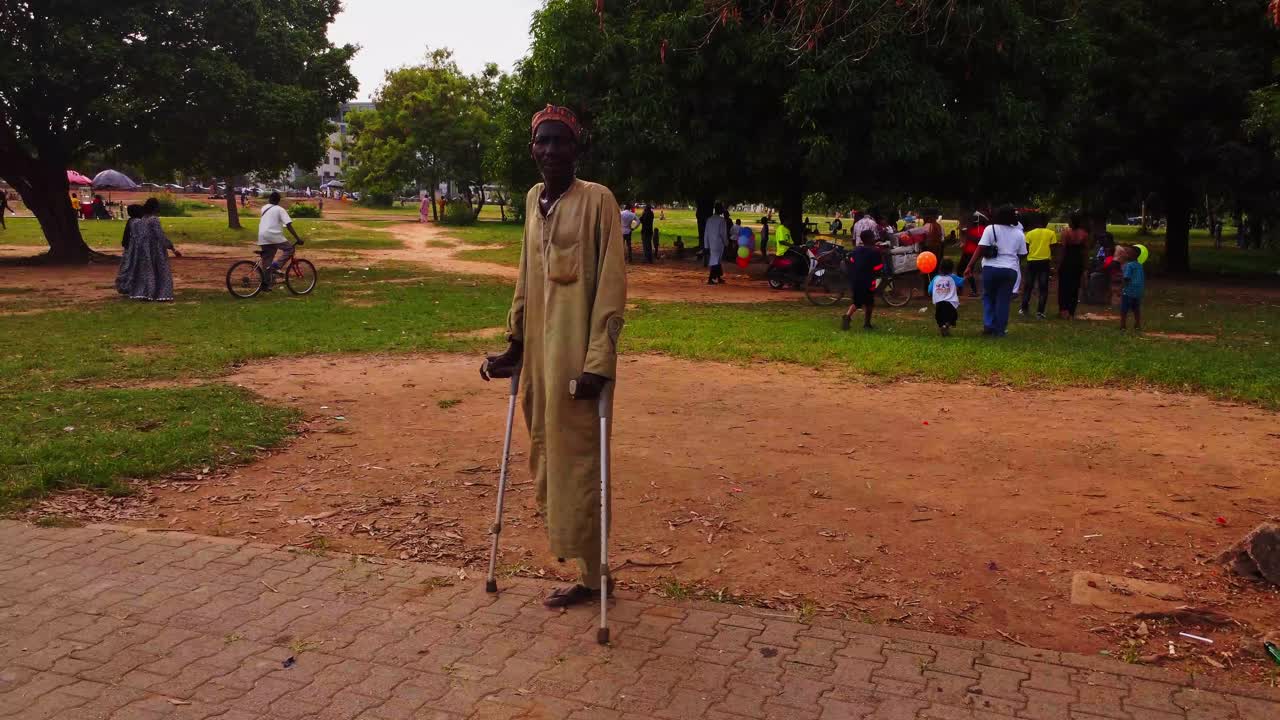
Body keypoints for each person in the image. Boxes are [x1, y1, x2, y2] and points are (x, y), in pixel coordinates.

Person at [479, 104, 627, 608]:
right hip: (539, 356)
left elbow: (611, 286)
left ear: (575, 148)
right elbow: (526, 273)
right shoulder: (531, 200)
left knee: (581, 460)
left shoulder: (598, 201)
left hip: (576, 359)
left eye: (560, 141)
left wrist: (598, 363)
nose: (550, 150)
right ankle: (584, 567)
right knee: (547, 453)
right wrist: (514, 344)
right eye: (542, 141)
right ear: (532, 149)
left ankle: (594, 575)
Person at [964, 204, 1026, 337]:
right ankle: (999, 330)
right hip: (1009, 270)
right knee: (1003, 300)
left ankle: (988, 324)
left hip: (990, 268)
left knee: (988, 297)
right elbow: (1022, 254)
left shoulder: (990, 229)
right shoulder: (1019, 233)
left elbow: (980, 248)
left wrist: (970, 265)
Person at [115, 198, 181, 301]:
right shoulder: (154, 220)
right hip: (155, 250)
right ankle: (161, 294)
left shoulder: (140, 220)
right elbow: (160, 236)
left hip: (143, 249)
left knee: (146, 271)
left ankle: (144, 292)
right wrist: (171, 247)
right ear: (155, 208)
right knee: (160, 271)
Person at [257, 191, 304, 291]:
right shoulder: (280, 209)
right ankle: (276, 267)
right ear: (279, 201)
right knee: (290, 249)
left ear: (269, 199)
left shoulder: (264, 208)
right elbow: (288, 224)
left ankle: (266, 284)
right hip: (273, 235)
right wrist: (297, 238)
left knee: (267, 260)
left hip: (262, 236)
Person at [842, 229, 883, 331]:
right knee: (869, 303)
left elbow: (852, 262)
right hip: (868, 280)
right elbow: (878, 267)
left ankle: (847, 316)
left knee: (856, 302)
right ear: (869, 239)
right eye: (873, 237)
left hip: (855, 280)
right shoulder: (875, 252)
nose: (874, 239)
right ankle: (867, 324)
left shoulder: (856, 250)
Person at [1020, 213, 1057, 319]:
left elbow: (1026, 249)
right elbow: (1053, 249)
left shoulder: (1030, 234)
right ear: (1046, 223)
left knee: (1028, 286)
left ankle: (1024, 308)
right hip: (1045, 262)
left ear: (1035, 223)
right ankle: (1040, 312)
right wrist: (1054, 264)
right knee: (1043, 288)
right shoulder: (1051, 233)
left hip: (1032, 262)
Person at [1058, 213, 1089, 319]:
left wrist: (1059, 263)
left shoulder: (1066, 233)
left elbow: (1063, 249)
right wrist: (1085, 265)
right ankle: (1071, 311)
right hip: (1078, 261)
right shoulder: (1084, 234)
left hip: (1067, 260)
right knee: (1075, 287)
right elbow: (1085, 251)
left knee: (1064, 286)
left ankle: (1063, 310)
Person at [929, 258, 965, 337]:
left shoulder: (935, 278)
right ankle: (946, 326)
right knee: (952, 316)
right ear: (951, 269)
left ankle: (943, 326)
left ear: (940, 268)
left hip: (939, 302)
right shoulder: (953, 277)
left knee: (940, 317)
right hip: (950, 302)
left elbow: (930, 290)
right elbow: (961, 282)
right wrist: (966, 277)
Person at [958, 212, 986, 297]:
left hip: (973, 253)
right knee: (959, 269)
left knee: (968, 270)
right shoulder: (971, 228)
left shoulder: (981, 229)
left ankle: (974, 291)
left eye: (975, 219)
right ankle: (960, 289)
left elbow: (979, 241)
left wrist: (968, 235)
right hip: (966, 252)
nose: (973, 221)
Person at [1119, 245, 1145, 331]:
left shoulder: (1129, 265)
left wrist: (1122, 288)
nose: (1126, 254)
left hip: (1128, 290)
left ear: (1133, 255)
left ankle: (1123, 325)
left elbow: (1126, 278)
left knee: (1124, 309)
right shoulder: (1140, 265)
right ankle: (1137, 324)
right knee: (1136, 309)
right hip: (1138, 291)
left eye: (1128, 252)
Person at [704, 203, 729, 284]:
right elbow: (723, 234)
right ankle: (710, 279)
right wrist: (726, 243)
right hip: (719, 243)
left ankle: (718, 277)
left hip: (711, 243)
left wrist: (706, 245)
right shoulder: (722, 221)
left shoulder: (709, 219)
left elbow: (706, 233)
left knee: (717, 260)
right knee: (715, 261)